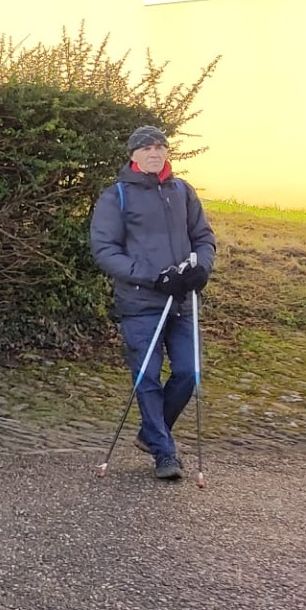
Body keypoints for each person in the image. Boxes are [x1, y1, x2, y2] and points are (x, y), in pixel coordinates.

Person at [88, 125, 216, 482]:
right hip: (141, 301)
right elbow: (105, 250)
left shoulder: (183, 191)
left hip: (182, 300)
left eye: (160, 146)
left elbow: (204, 237)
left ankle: (150, 433)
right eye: (146, 148)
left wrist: (201, 268)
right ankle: (164, 452)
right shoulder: (116, 196)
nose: (154, 152)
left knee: (188, 372)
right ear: (133, 155)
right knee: (147, 377)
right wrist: (153, 276)